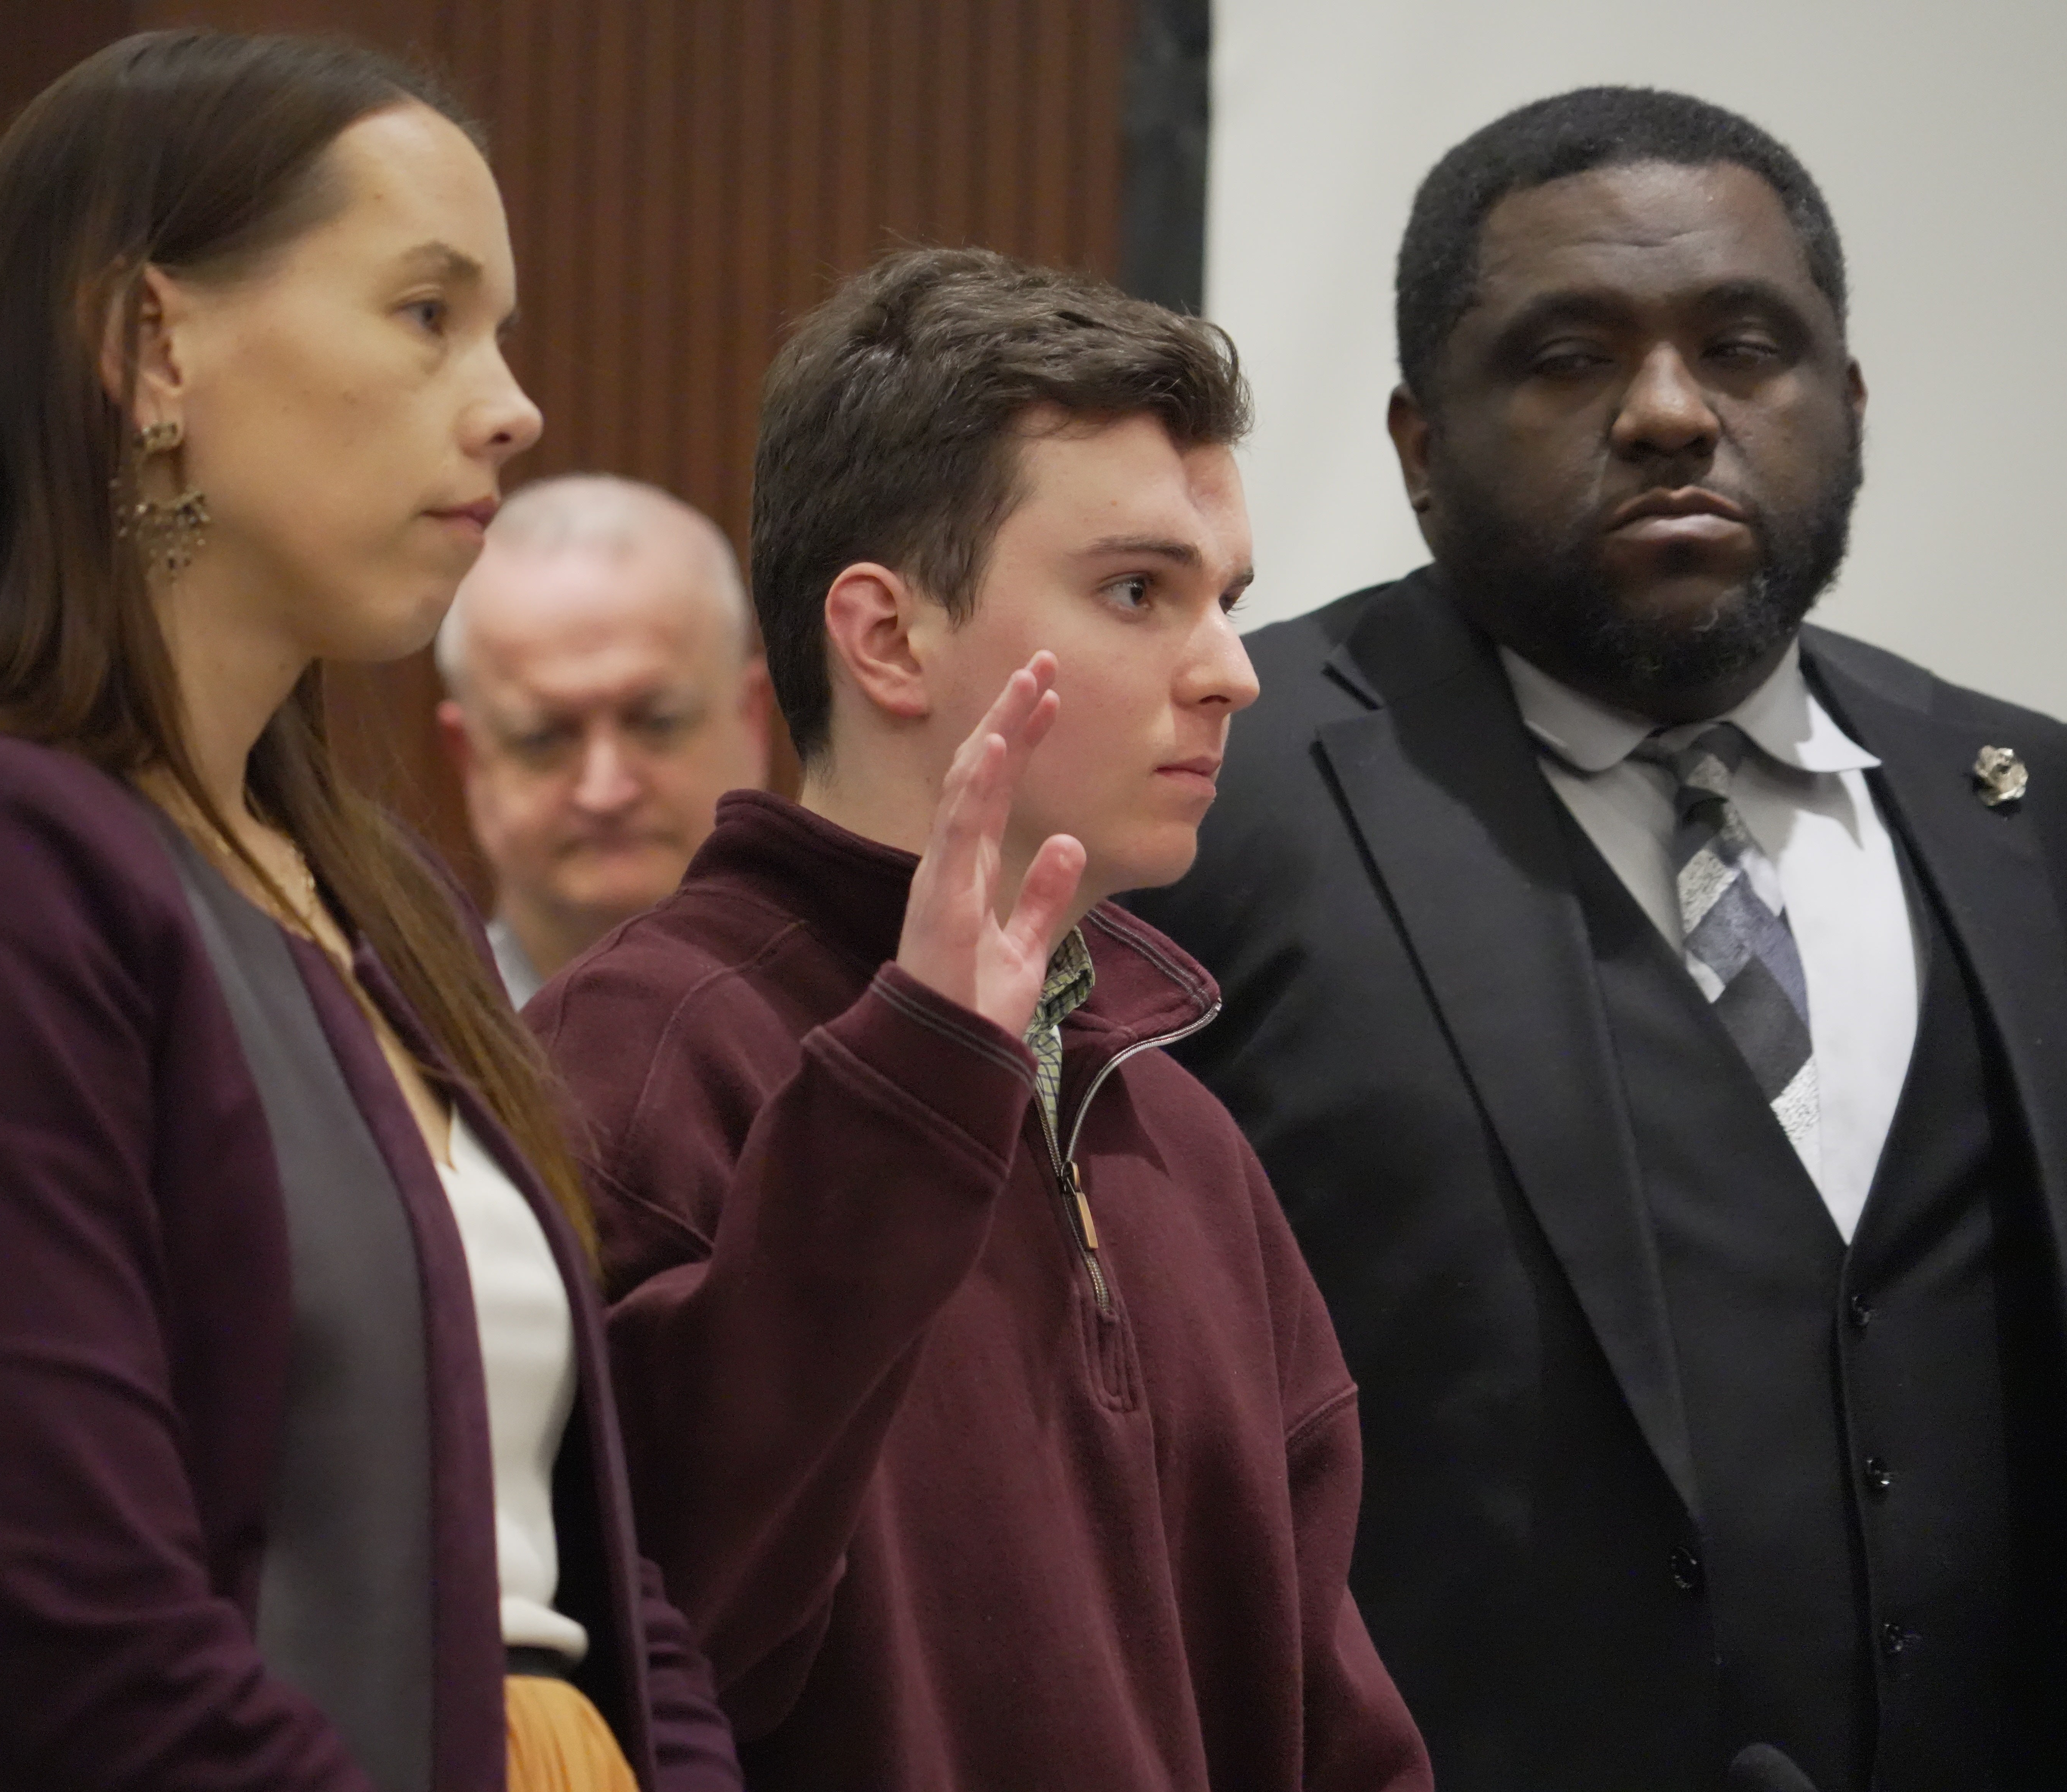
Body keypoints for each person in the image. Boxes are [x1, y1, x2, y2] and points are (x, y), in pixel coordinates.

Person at [0, 31, 738, 1792]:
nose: (511, 403)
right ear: (152, 346)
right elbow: (75, 1646)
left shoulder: (380, 893)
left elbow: (588, 1561)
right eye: (426, 313)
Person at [1130, 86, 2067, 1792]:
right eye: (1569, 357)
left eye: (1747, 348)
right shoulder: (1222, 789)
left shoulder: (2030, 799)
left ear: (1851, 404)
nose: (1673, 414)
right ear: (1418, 447)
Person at [527, 246, 1432, 1792]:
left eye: (1229, 603)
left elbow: (1336, 1738)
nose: (1231, 672)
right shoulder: (629, 1069)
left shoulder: (1185, 1141)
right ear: (885, 637)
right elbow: (657, 1657)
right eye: (1141, 591)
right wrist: (914, 1092)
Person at [435, 475, 771, 1004]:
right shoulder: (387, 1060)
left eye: (658, 722)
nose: (605, 791)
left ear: (752, 720)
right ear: (469, 757)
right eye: (544, 738)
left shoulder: (879, 1041)